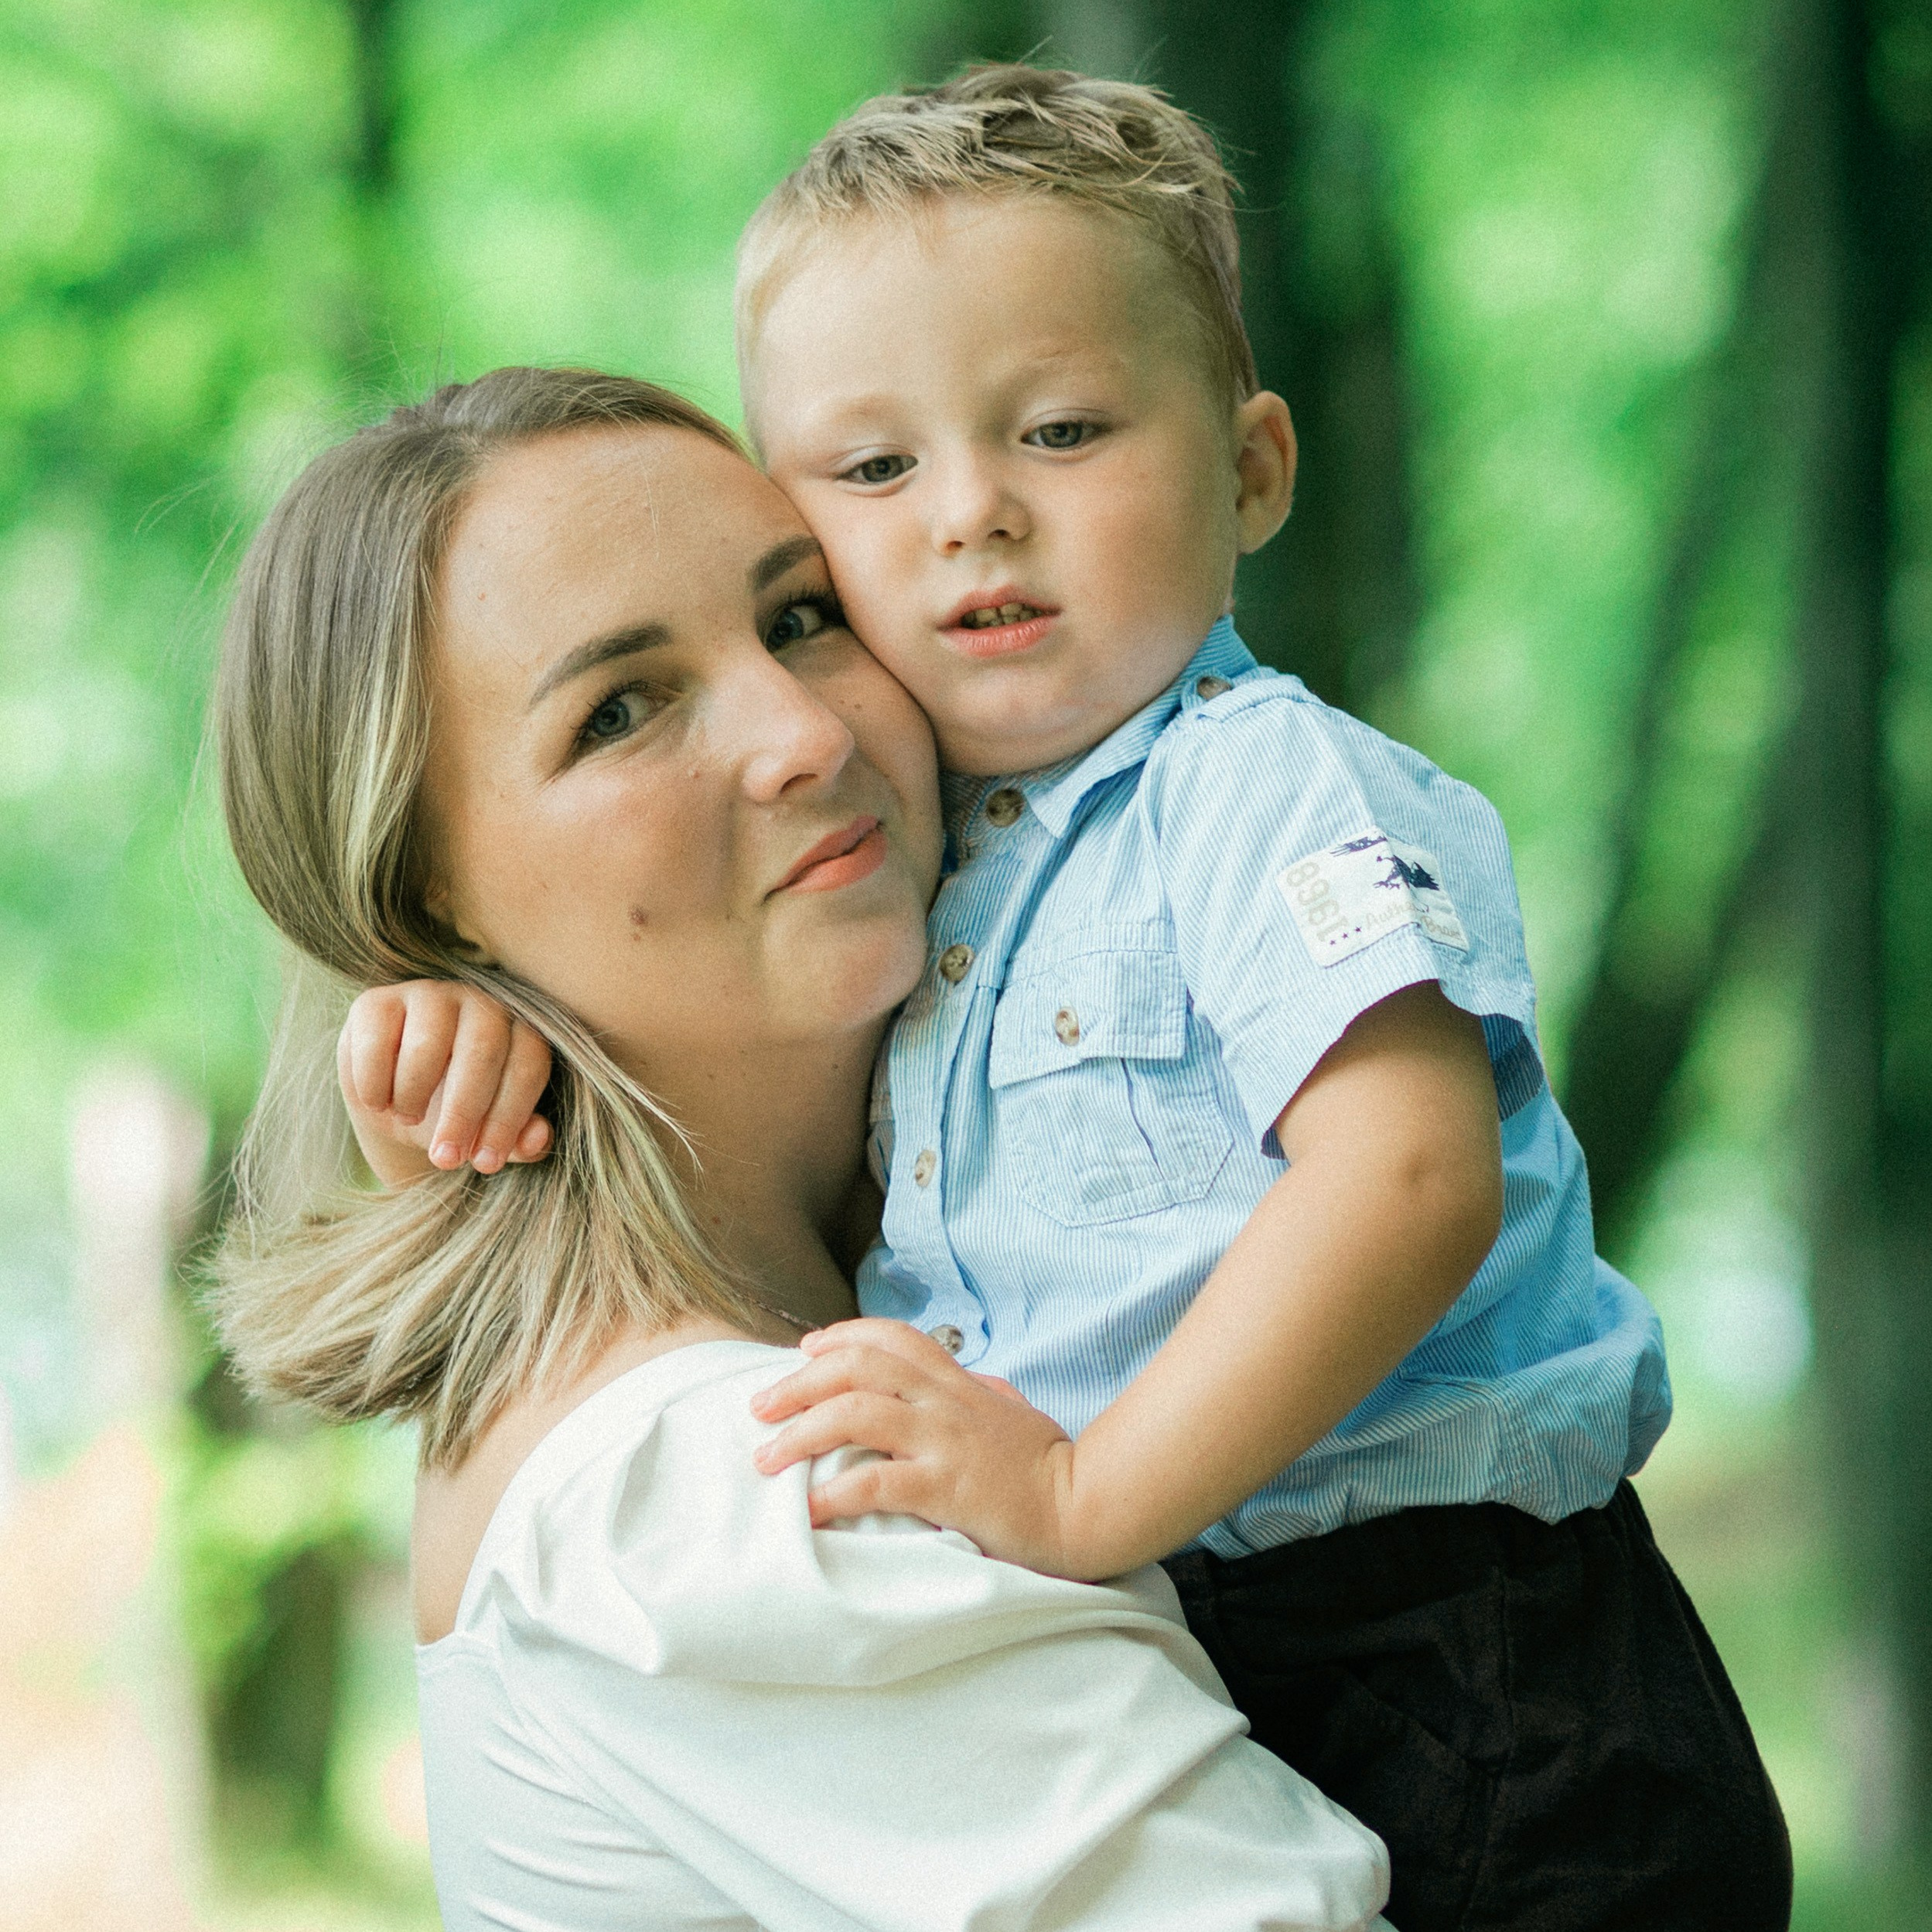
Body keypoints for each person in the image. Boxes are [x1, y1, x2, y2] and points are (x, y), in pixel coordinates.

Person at [350, 66, 1794, 1932]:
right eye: (873, 474)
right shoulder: (971, 865)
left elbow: (1411, 1178)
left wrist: (1084, 1494)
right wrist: (478, 1088)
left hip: (1465, 1640)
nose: (970, 517)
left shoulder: (1256, 786)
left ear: (1252, 468)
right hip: (1262, 1608)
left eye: (1061, 432)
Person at [210, 366, 1393, 1932]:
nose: (798, 733)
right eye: (618, 710)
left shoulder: (911, 1323)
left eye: (797, 618)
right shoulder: (729, 1489)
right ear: (423, 906)